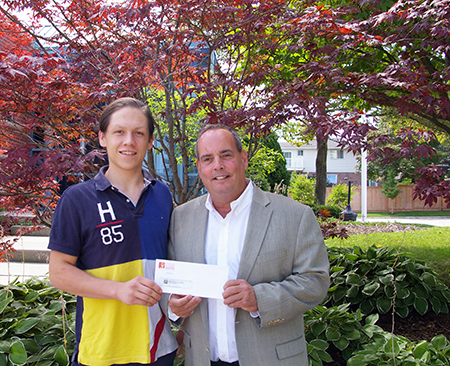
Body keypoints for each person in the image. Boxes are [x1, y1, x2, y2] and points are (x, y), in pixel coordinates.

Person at [167, 124, 330, 366]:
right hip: (201, 359)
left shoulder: (294, 216)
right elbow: (168, 280)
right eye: (208, 159)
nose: (218, 166)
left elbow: (315, 281)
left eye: (226, 155)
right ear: (200, 167)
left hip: (270, 359)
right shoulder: (180, 218)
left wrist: (259, 299)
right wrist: (173, 305)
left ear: (243, 159)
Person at [48, 98, 178, 366]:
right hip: (102, 351)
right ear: (102, 138)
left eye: (139, 133)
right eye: (119, 131)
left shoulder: (163, 195)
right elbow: (59, 272)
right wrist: (119, 290)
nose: (129, 141)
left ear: (150, 140)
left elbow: (168, 264)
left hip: (159, 348)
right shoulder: (77, 199)